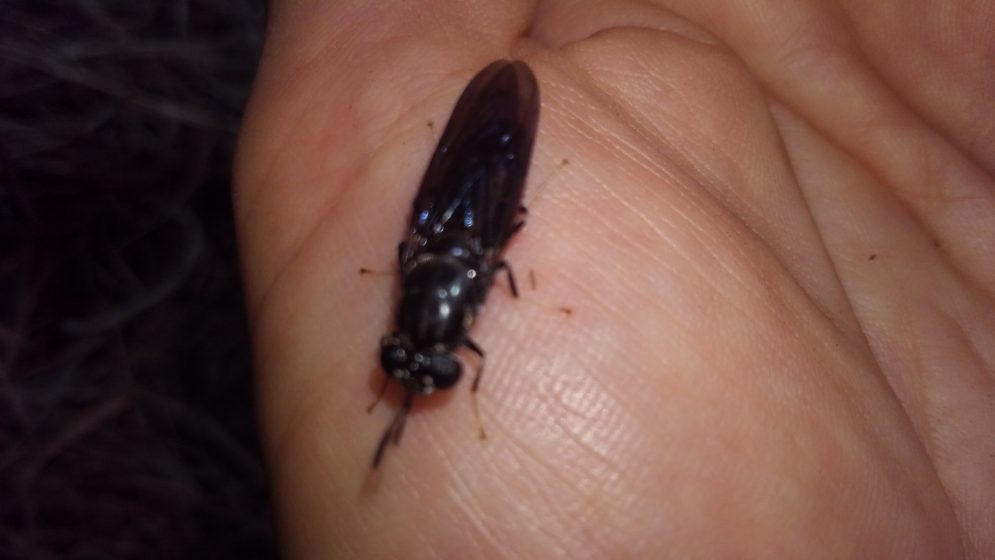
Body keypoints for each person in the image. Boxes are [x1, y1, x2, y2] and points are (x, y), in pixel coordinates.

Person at [233, 2, 995, 557]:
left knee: (490, 209)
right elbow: (441, 273)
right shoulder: (440, 316)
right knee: (497, 211)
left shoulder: (430, 319)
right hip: (451, 235)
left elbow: (436, 275)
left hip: (451, 237)